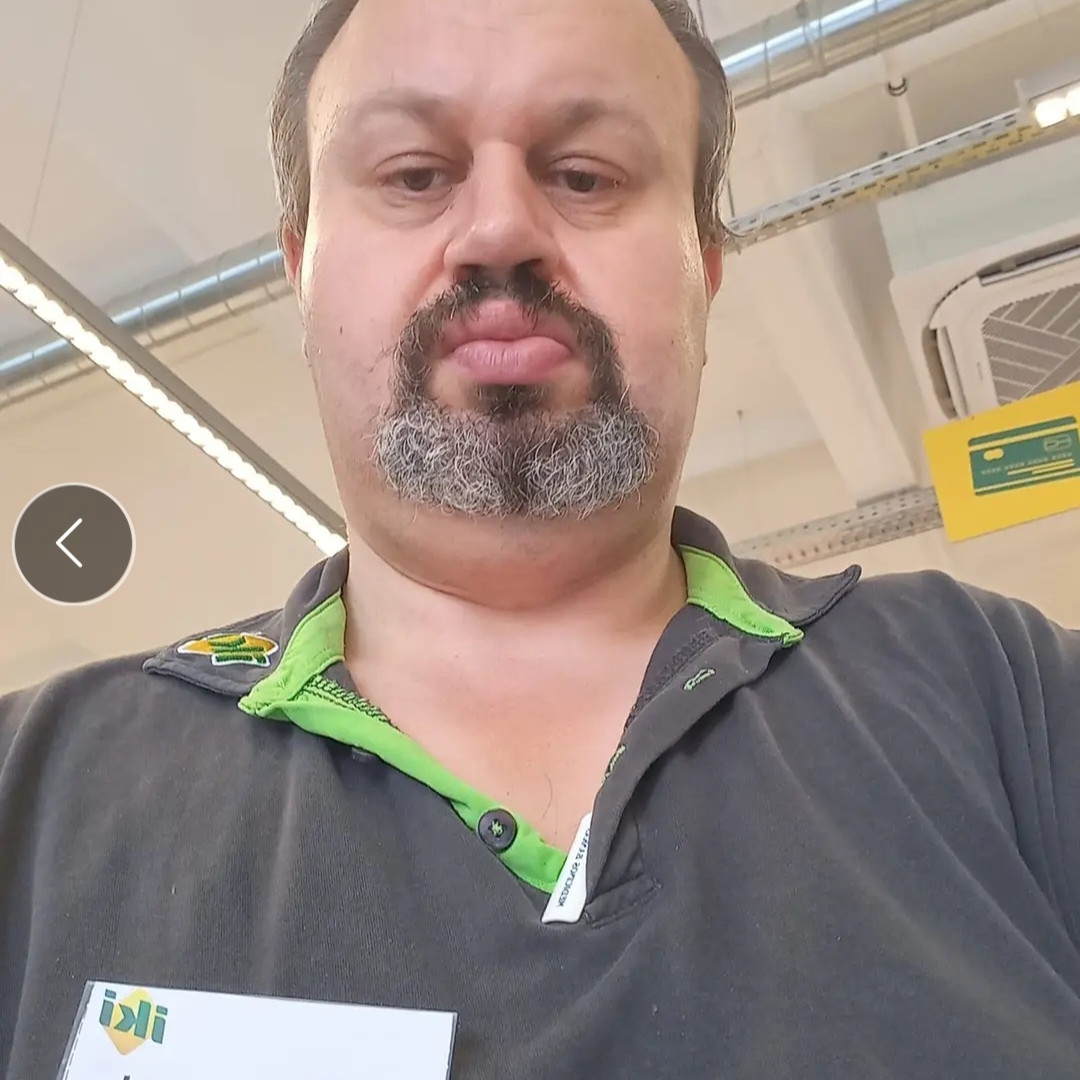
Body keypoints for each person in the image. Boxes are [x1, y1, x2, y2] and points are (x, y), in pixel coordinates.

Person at [2, 0, 1079, 1076]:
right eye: (414, 174)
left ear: (705, 269)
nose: (498, 232)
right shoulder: (33, 787)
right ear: (301, 268)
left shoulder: (999, 689)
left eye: (585, 176)